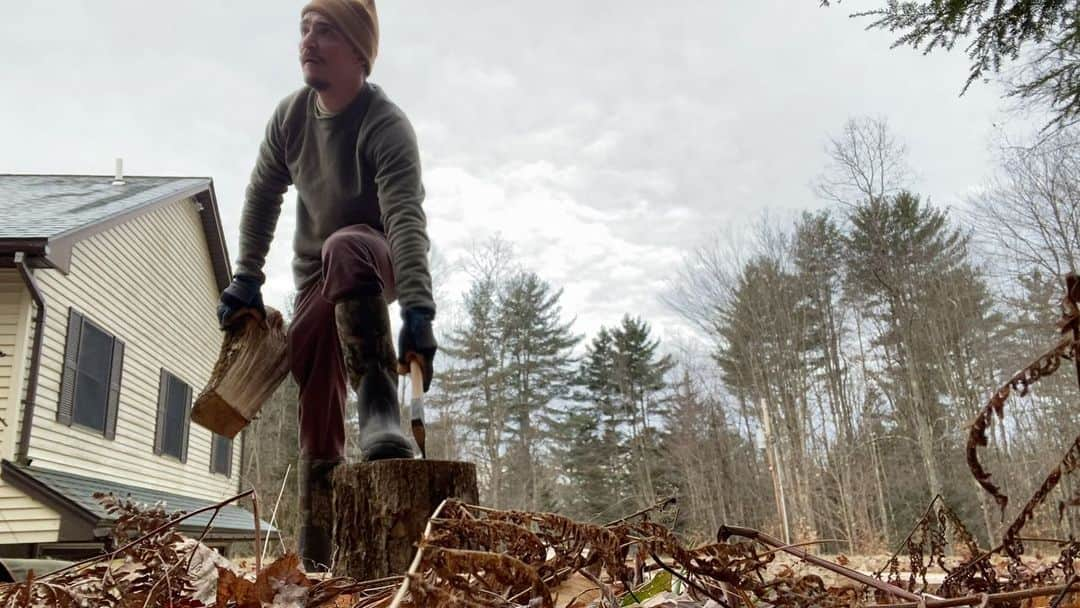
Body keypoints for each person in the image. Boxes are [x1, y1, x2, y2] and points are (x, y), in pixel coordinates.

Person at [215, 0, 437, 572]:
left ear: (360, 51)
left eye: (326, 31)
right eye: (304, 29)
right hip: (317, 276)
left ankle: (380, 404)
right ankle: (320, 534)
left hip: (374, 256)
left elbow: (407, 219)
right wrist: (246, 275)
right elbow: (263, 194)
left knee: (346, 244)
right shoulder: (290, 118)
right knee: (310, 344)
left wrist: (416, 308)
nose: (308, 41)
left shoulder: (384, 123)